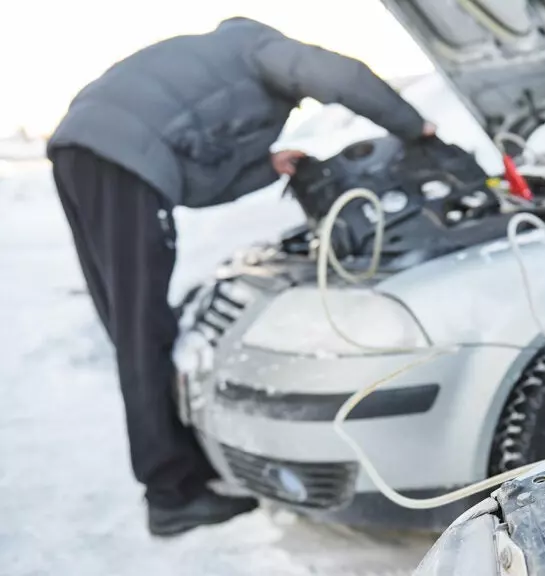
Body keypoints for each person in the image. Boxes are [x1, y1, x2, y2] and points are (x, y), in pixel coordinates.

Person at [46, 16, 436, 537]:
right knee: (143, 329)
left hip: (82, 148)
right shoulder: (256, 46)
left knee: (133, 324)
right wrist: (414, 126)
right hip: (119, 156)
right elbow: (339, 75)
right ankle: (169, 493)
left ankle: (179, 466)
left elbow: (193, 179)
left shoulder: (210, 69)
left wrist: (264, 165)